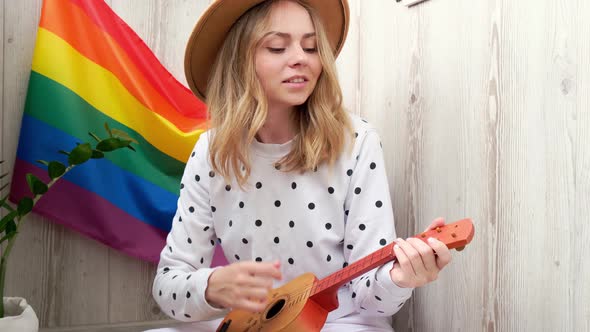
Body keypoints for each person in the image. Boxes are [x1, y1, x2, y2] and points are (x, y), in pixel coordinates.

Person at [151, 0, 452, 331]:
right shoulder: (212, 151)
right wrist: (210, 287)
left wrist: (401, 278)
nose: (301, 58)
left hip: (340, 323)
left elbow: (372, 296)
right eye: (278, 47)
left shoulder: (357, 141)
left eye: (311, 47)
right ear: (240, 62)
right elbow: (168, 286)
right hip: (253, 323)